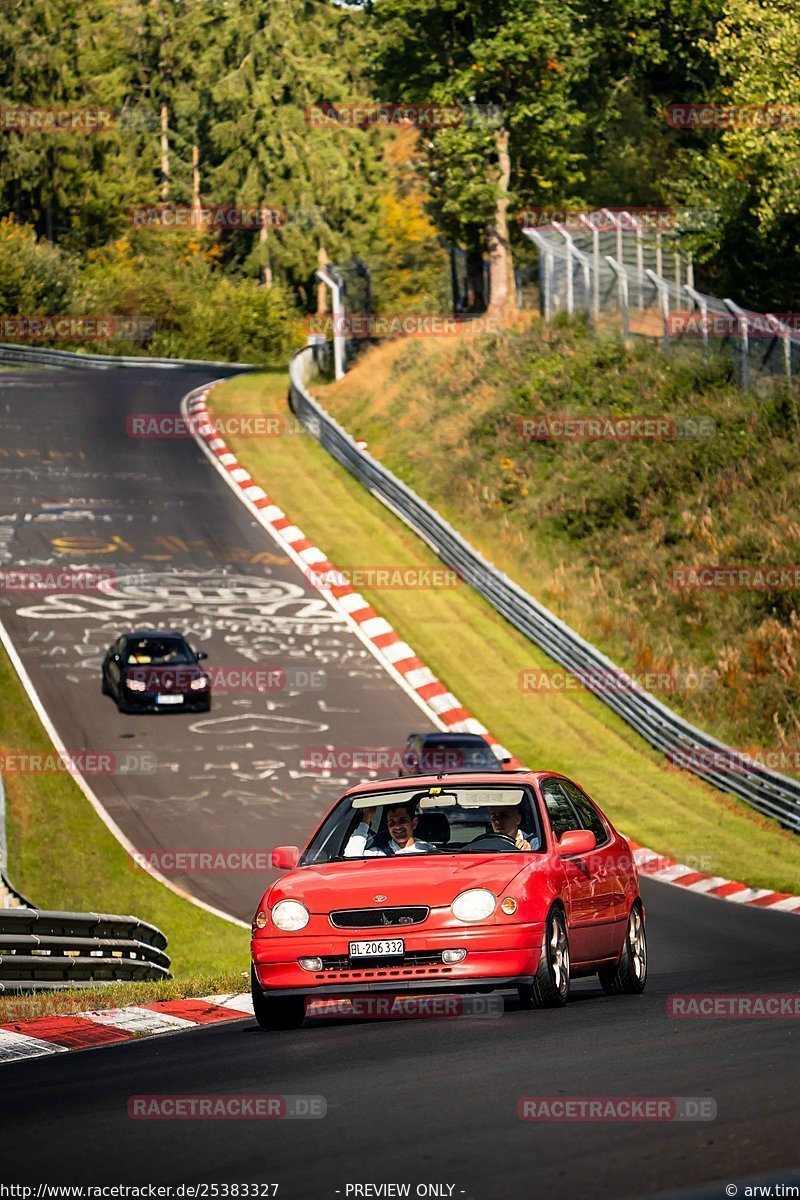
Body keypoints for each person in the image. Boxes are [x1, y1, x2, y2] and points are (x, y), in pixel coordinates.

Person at [344, 800, 436, 857]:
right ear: (387, 826)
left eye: (402, 820)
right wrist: (367, 818)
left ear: (414, 822)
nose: (397, 826)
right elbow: (350, 857)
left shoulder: (429, 851)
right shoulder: (379, 853)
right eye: (392, 822)